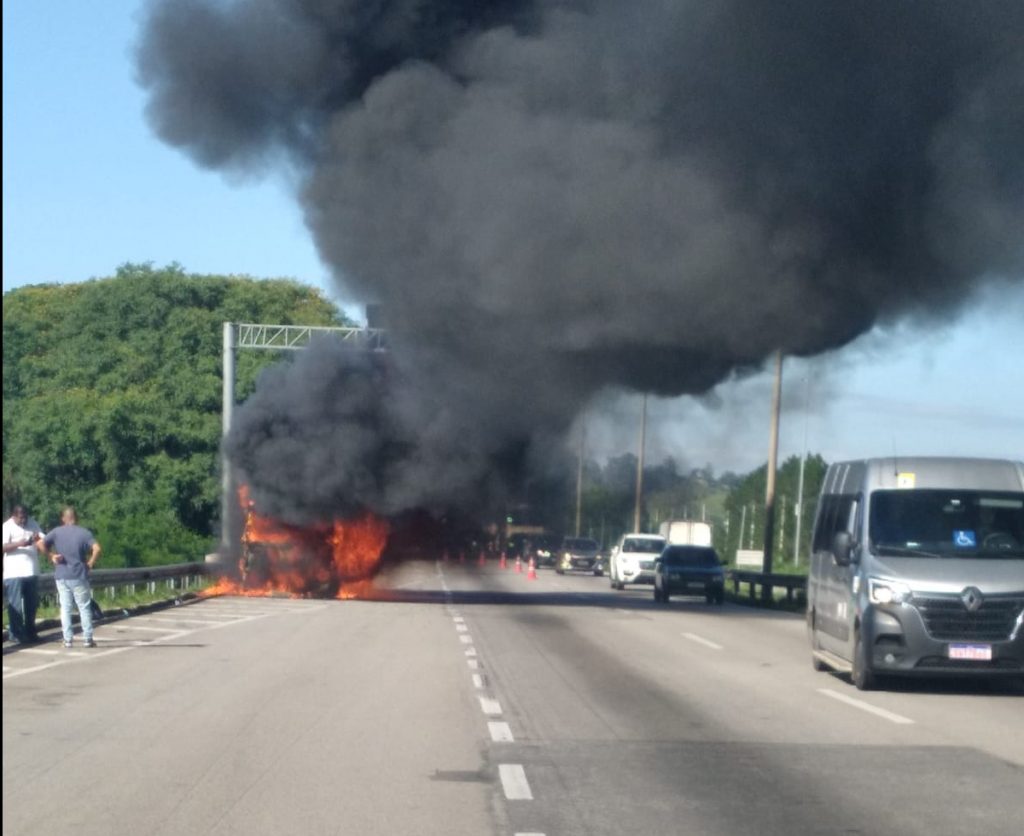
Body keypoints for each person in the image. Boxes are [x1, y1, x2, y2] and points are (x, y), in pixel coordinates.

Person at [38, 506, 101, 648]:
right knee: (83, 607)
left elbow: (40, 543)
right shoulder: (84, 533)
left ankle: (67, 640)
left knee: (65, 608)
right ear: (76, 518)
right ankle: (88, 639)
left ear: (63, 518)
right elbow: (97, 549)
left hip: (62, 575)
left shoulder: (56, 532)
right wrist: (90, 563)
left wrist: (51, 555)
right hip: (79, 575)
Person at [3, 504, 43, 645]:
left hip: (32, 570)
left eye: (25, 517)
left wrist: (38, 539)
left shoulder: (32, 523)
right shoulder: (7, 526)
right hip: (14, 572)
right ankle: (16, 634)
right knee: (15, 605)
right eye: (20, 518)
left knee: (32, 604)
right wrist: (19, 544)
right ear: (14, 516)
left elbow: (42, 539)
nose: (23, 520)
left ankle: (31, 631)